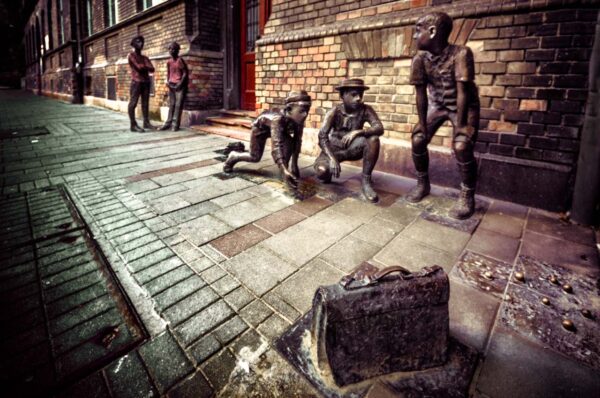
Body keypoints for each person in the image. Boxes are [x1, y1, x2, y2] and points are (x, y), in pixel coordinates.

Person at [406, 12, 480, 219]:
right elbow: (420, 94)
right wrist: (422, 124)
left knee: (462, 146)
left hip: (464, 107)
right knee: (418, 139)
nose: (414, 36)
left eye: (417, 30)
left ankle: (467, 194)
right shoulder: (419, 59)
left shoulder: (461, 53)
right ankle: (423, 183)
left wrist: (463, 126)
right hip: (438, 105)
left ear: (432, 31)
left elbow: (463, 92)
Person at [223, 90, 312, 190]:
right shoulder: (277, 120)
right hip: (260, 130)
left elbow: (297, 141)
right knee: (254, 157)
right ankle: (233, 156)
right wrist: (284, 169)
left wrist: (294, 165)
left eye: (307, 110)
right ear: (290, 109)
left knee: (290, 143)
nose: (305, 115)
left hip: (279, 130)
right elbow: (276, 146)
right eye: (302, 111)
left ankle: (285, 171)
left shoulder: (298, 120)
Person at [313, 79, 383, 203]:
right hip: (333, 152)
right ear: (342, 96)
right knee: (322, 173)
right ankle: (328, 170)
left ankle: (366, 181)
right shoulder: (334, 112)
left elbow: (379, 127)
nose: (358, 98)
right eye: (354, 95)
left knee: (373, 139)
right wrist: (332, 159)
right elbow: (322, 137)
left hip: (352, 148)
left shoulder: (366, 109)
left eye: (360, 95)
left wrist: (359, 131)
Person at [127, 35, 155, 132]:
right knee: (133, 103)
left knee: (145, 103)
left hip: (146, 82)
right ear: (133, 44)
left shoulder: (144, 57)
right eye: (138, 41)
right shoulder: (131, 56)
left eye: (142, 42)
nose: (141, 43)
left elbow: (152, 68)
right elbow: (139, 67)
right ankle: (133, 124)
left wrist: (145, 66)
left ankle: (146, 122)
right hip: (136, 82)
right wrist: (145, 66)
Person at [159, 42, 188, 131]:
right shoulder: (169, 61)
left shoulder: (180, 60)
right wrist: (167, 81)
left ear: (177, 50)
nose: (172, 51)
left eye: (174, 49)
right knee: (172, 104)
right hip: (171, 84)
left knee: (178, 105)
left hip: (179, 85)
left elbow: (185, 73)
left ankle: (175, 124)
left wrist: (180, 83)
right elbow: (168, 73)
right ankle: (168, 123)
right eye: (171, 49)